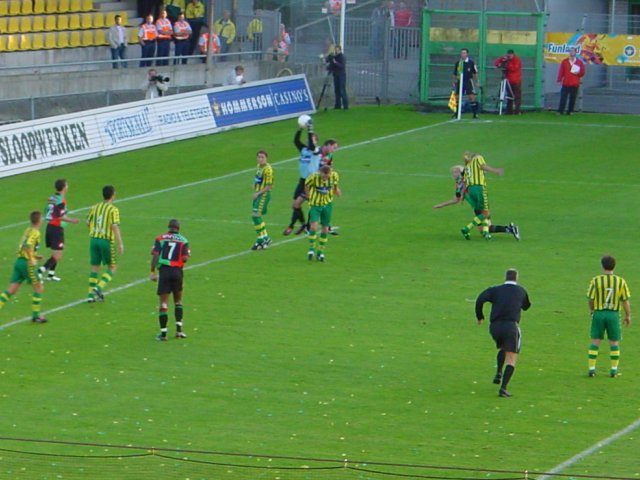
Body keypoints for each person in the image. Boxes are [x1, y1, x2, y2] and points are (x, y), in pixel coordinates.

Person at [475, 268, 531, 398]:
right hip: (510, 326)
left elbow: (480, 299)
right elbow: (526, 306)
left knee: (502, 348)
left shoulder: (495, 290)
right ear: (516, 278)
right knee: (512, 357)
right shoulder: (521, 291)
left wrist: (480, 316)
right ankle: (503, 388)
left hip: (495, 327)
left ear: (505, 278)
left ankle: (498, 373)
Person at [433, 165, 519, 240]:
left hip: (480, 203)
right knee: (484, 229)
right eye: (452, 173)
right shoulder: (458, 185)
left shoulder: (468, 179)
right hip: (475, 207)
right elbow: (456, 199)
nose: (454, 174)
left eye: (455, 172)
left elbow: (476, 171)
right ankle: (510, 229)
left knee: (485, 225)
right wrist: (441, 205)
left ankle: (467, 228)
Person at [587, 255, 631, 378]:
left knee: (595, 340)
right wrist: (628, 315)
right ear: (614, 266)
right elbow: (625, 300)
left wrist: (592, 310)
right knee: (614, 342)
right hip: (613, 314)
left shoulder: (595, 280)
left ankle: (591, 369)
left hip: (599, 313)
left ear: (602, 266)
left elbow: (590, 299)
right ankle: (613, 370)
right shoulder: (620, 281)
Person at [0, 211, 47, 324]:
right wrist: (31, 259)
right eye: (42, 218)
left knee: (12, 289)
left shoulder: (28, 230)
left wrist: (35, 255)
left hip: (19, 262)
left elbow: (23, 246)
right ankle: (36, 316)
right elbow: (27, 246)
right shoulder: (35, 232)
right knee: (39, 288)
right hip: (26, 263)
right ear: (39, 220)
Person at [150, 219, 190, 341]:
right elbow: (185, 258)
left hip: (165, 272)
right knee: (178, 301)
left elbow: (155, 255)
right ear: (179, 228)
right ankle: (179, 331)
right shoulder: (184, 240)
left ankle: (163, 334)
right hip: (177, 272)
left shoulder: (160, 238)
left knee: (164, 303)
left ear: (169, 227)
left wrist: (152, 271)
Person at [86, 185, 124, 303]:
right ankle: (98, 288)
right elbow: (114, 226)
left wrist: (95, 230)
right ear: (113, 195)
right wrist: (120, 243)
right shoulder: (113, 210)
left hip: (93, 240)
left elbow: (87, 222)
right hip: (106, 241)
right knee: (112, 267)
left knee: (94, 267)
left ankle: (90, 296)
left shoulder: (95, 207)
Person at [38, 179, 80, 282]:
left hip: (50, 227)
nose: (68, 186)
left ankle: (51, 275)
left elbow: (47, 211)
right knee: (58, 255)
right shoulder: (61, 200)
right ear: (64, 187)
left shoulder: (52, 198)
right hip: (56, 229)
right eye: (67, 185)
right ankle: (40, 271)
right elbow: (59, 216)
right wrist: (72, 220)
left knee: (55, 253)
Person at [283, 119, 320, 236]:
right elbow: (296, 141)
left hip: (311, 182)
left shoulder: (316, 151)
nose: (309, 141)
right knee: (295, 205)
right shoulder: (304, 150)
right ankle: (304, 224)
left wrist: (310, 130)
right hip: (302, 180)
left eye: (313, 139)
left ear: (316, 142)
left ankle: (294, 226)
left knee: (304, 205)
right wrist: (300, 128)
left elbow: (311, 144)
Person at [459, 152, 504, 241]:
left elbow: (464, 181)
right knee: (486, 213)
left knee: (482, 212)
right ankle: (467, 228)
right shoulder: (477, 158)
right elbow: (483, 166)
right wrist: (496, 171)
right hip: (479, 188)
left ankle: (486, 233)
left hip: (470, 190)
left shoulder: (467, 166)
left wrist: (463, 194)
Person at [305, 165, 341, 262]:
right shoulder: (313, 177)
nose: (325, 178)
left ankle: (320, 252)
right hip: (315, 205)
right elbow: (306, 185)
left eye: (327, 176)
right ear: (320, 173)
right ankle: (311, 249)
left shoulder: (334, 176)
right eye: (323, 176)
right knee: (313, 227)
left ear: (330, 173)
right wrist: (308, 195)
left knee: (325, 228)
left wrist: (336, 190)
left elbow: (335, 185)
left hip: (327, 205)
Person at [251, 150, 273, 251]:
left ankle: (262, 238)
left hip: (263, 195)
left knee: (255, 216)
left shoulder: (268, 169)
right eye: (259, 157)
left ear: (266, 158)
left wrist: (258, 193)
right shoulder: (259, 167)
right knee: (256, 216)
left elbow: (269, 186)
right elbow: (258, 179)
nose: (260, 159)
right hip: (258, 194)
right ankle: (265, 238)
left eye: (262, 157)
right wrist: (254, 186)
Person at [557, 46, 586, 115]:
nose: (571, 52)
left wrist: (578, 73)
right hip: (566, 82)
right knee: (563, 97)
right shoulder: (565, 61)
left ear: (575, 52)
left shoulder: (579, 62)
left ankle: (570, 111)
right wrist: (559, 79)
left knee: (573, 98)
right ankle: (560, 111)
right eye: (570, 51)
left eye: (573, 51)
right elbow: (561, 71)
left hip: (575, 83)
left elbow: (583, 72)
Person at [452, 48, 479, 118]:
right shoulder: (458, 63)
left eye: (464, 53)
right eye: (462, 53)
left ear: (467, 54)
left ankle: (475, 113)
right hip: (460, 81)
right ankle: (457, 113)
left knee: (471, 97)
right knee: (457, 97)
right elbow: (454, 73)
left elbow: (475, 73)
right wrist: (454, 81)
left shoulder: (471, 62)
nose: (463, 54)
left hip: (468, 81)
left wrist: (477, 81)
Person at [494, 49, 522, 115]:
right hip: (507, 79)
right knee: (509, 96)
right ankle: (509, 111)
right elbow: (497, 63)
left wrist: (508, 63)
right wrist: (503, 59)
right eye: (508, 55)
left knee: (517, 96)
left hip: (516, 80)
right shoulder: (506, 58)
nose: (509, 57)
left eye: (510, 55)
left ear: (513, 54)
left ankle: (517, 110)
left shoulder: (516, 59)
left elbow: (514, 68)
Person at [329, 45, 349, 110]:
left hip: (341, 75)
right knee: (336, 90)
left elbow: (342, 66)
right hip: (336, 75)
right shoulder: (335, 57)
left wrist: (335, 62)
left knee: (342, 90)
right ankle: (338, 105)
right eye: (336, 50)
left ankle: (345, 105)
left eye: (337, 50)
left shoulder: (342, 57)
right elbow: (331, 66)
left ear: (340, 50)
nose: (336, 51)